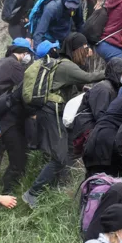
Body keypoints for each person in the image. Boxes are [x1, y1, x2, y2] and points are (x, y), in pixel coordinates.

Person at [23, 33, 105, 208]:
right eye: (85, 49)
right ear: (76, 49)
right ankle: (32, 193)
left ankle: (58, 185)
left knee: (69, 150)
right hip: (52, 113)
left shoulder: (65, 65)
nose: (89, 52)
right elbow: (88, 77)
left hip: (54, 112)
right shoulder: (66, 66)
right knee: (60, 157)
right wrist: (114, 71)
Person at [71, 58, 122, 152]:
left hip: (91, 129)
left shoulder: (111, 87)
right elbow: (100, 115)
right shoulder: (104, 89)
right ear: (116, 72)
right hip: (87, 130)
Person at [0, 38, 33, 105]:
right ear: (24, 53)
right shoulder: (14, 64)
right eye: (28, 53)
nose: (28, 56)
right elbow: (24, 86)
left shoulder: (3, 60)